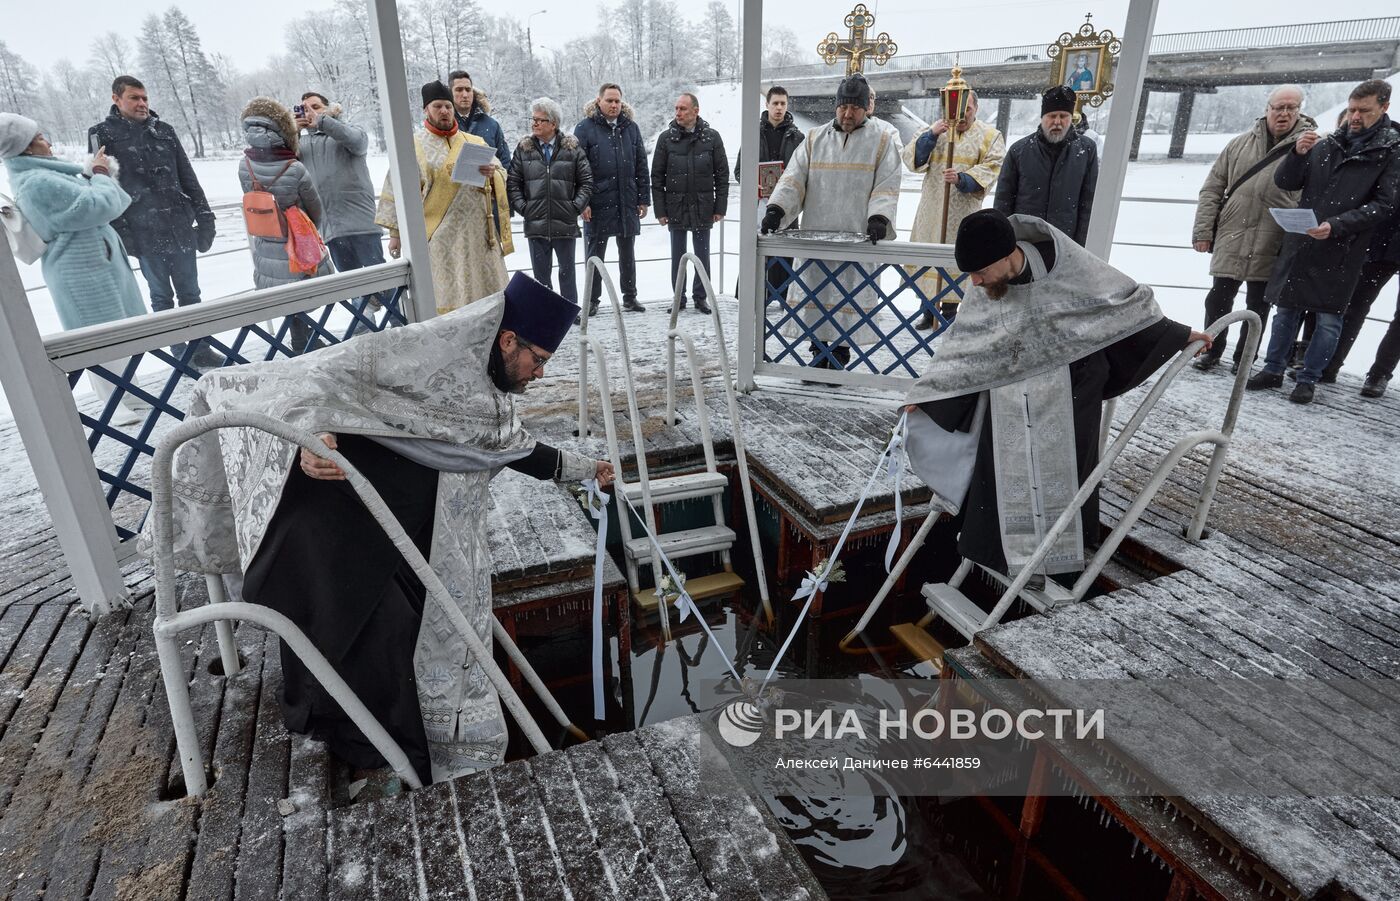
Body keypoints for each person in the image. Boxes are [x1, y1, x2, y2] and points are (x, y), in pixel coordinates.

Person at [153, 272, 614, 793]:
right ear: (508, 340)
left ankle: (407, 751)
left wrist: (584, 467)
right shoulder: (418, 354)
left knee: (409, 633)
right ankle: (369, 753)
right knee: (375, 639)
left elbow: (507, 445)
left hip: (395, 527)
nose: (540, 374)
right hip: (330, 524)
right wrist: (312, 436)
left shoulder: (487, 389)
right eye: (539, 360)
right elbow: (309, 380)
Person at [903, 209, 1211, 583]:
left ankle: (1058, 560)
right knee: (1001, 473)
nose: (975, 281)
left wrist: (1178, 335)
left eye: (980, 271)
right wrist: (930, 391)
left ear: (1006, 254)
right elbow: (964, 343)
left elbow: (1120, 303)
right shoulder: (986, 284)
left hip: (1072, 388)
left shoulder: (1066, 267)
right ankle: (1004, 557)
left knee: (1066, 472)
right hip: (1010, 395)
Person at [1247, 79, 1400, 404]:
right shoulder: (1329, 142)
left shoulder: (1390, 151)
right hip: (1304, 242)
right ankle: (1272, 369)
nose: (1355, 117)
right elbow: (1287, 181)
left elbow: (1385, 205)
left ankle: (1308, 379)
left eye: (1364, 111)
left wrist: (1338, 225)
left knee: (1329, 319)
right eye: (1352, 109)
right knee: (1285, 311)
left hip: (1344, 248)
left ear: (1384, 107)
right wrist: (1298, 155)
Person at [1, 112, 149, 423]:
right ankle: (113, 403)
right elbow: (99, 207)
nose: (48, 142)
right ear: (25, 148)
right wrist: (100, 174)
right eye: (40, 137)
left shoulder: (48, 174)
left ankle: (130, 393)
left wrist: (96, 176)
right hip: (79, 270)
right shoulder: (37, 183)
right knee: (97, 336)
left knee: (117, 331)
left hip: (96, 264)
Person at [763, 72, 901, 369]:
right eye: (843, 107)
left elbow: (887, 185)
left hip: (855, 237)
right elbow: (793, 179)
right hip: (817, 237)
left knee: (846, 298)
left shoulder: (882, 141)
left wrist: (878, 217)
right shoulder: (814, 139)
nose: (848, 113)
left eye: (855, 107)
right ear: (835, 106)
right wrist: (777, 209)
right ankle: (817, 353)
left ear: (867, 108)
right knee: (816, 296)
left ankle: (838, 355)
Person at [89, 75, 219, 367]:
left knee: (191, 293)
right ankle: (179, 355)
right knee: (161, 298)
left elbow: (188, 177)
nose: (142, 103)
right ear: (116, 99)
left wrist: (205, 218)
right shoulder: (102, 135)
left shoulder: (165, 131)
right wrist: (124, 235)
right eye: (134, 97)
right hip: (143, 230)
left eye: (145, 98)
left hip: (180, 226)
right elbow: (103, 185)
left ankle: (201, 348)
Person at [1190, 85, 1314, 374]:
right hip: (1233, 233)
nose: (1283, 114)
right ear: (1267, 109)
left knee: (1259, 305)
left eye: (1290, 108)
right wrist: (1203, 231)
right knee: (1218, 298)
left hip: (1274, 240)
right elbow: (1212, 188)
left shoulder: (1310, 148)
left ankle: (1244, 358)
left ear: (1299, 111)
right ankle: (1211, 349)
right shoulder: (1238, 144)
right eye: (1278, 107)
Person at [375, 80, 513, 314]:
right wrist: (395, 234)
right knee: (450, 307)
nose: (444, 111)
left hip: (479, 238)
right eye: (438, 106)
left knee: (489, 306)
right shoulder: (413, 147)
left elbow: (502, 173)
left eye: (448, 106)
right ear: (426, 110)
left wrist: (492, 176)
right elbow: (394, 190)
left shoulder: (474, 142)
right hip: (440, 242)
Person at [902, 90, 1005, 328]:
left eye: (966, 110)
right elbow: (911, 160)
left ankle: (950, 311)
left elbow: (993, 166)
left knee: (958, 261)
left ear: (975, 109)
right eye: (956, 112)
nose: (961, 117)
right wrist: (930, 137)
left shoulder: (990, 135)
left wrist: (963, 179)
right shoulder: (935, 130)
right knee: (928, 259)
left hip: (964, 214)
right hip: (932, 209)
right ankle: (928, 310)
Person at [237, 97, 331, 353]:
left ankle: (299, 338)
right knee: (302, 288)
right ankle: (308, 341)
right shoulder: (294, 167)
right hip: (296, 240)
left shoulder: (244, 165)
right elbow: (315, 209)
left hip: (266, 239)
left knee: (283, 292)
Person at [295, 91, 391, 315]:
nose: (310, 112)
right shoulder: (301, 143)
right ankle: (365, 330)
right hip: (330, 228)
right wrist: (294, 130)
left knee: (382, 280)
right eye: (304, 108)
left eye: (316, 107)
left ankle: (398, 321)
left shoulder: (348, 130)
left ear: (329, 109)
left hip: (361, 223)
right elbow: (283, 159)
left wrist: (323, 122)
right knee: (353, 287)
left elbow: (358, 143)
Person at [507, 97, 592, 306]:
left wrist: (574, 208)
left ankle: (570, 312)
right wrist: (525, 209)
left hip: (565, 222)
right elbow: (513, 184)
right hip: (536, 224)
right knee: (541, 278)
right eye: (533, 119)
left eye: (539, 120)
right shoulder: (523, 149)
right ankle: (546, 314)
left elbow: (587, 182)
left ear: (553, 124)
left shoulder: (572, 149)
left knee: (567, 273)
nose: (534, 123)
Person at [574, 83, 650, 314]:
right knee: (595, 255)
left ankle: (630, 296)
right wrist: (582, 202)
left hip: (626, 199)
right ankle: (592, 301)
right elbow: (577, 168)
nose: (614, 105)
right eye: (609, 100)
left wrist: (643, 199)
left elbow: (641, 165)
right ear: (599, 101)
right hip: (597, 202)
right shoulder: (585, 129)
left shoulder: (631, 128)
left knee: (628, 252)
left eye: (617, 101)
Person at [651, 92, 728, 314]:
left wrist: (720, 207)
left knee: (702, 255)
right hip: (675, 205)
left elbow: (722, 175)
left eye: (683, 108)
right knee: (678, 256)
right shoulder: (666, 139)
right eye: (676, 108)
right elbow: (657, 177)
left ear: (696, 110)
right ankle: (678, 298)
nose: (678, 113)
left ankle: (700, 297)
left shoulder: (712, 138)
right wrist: (660, 210)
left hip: (704, 205)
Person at [995, 85, 1098, 247]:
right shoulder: (1019, 150)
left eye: (1063, 116)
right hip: (1025, 242)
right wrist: (1005, 242)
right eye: (1052, 116)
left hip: (1066, 242)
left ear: (1071, 118)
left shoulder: (1086, 150)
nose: (1057, 122)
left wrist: (1081, 245)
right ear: (1043, 118)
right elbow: (1004, 201)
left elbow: (1088, 202)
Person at [733, 86, 804, 295]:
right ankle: (751, 295)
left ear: (787, 106)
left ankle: (784, 297)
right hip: (758, 204)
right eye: (775, 103)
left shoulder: (797, 137)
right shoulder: (752, 133)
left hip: (787, 205)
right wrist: (751, 183)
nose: (779, 108)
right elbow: (739, 170)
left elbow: (804, 173)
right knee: (755, 249)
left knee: (785, 251)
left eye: (783, 103)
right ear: (767, 105)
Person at [449, 70, 511, 168]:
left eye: (468, 90)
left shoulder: (492, 125)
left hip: (487, 182)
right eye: (459, 90)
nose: (465, 95)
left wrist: (494, 176)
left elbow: (505, 163)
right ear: (450, 93)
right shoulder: (445, 125)